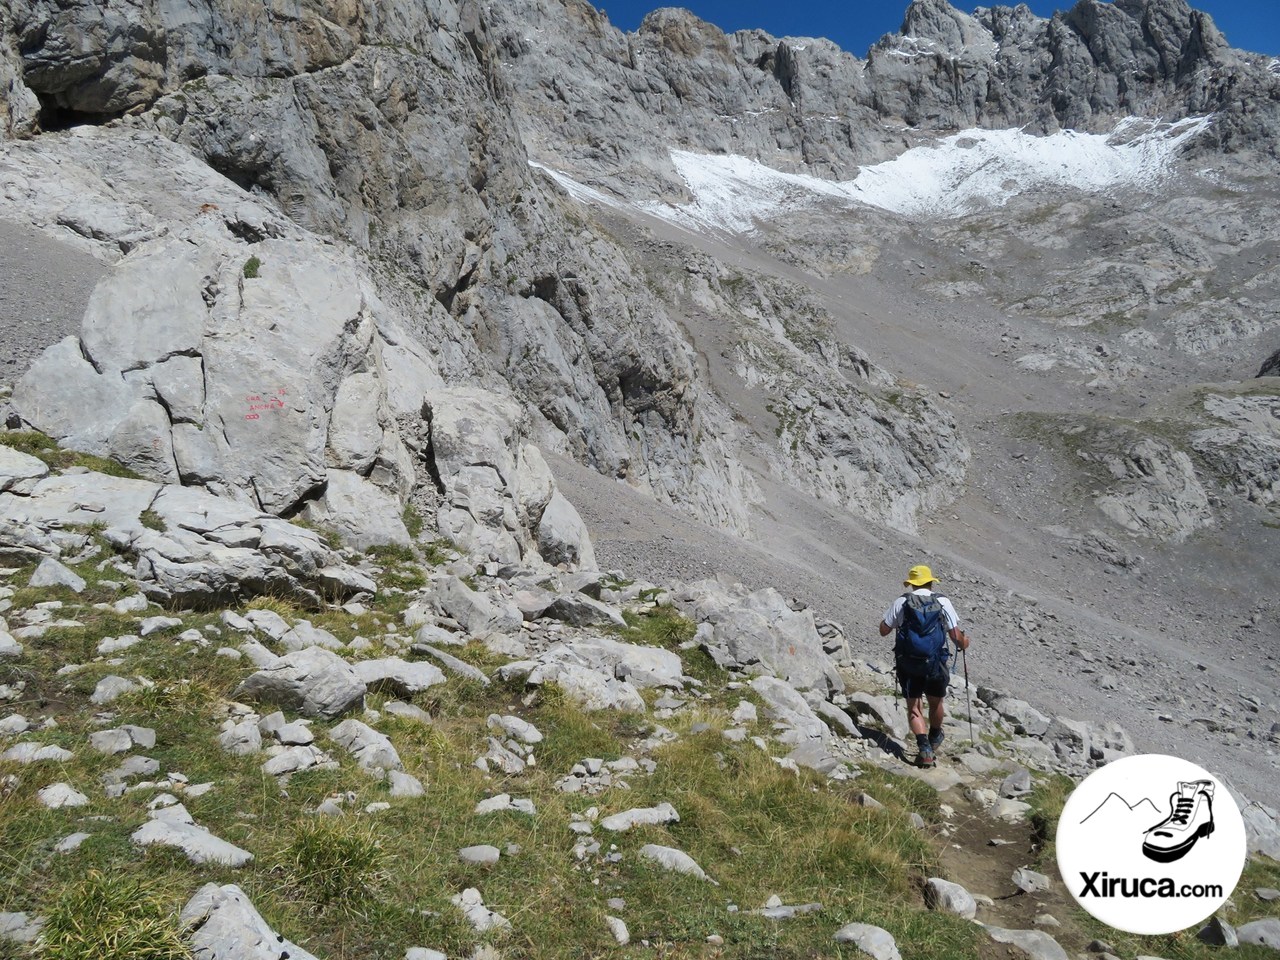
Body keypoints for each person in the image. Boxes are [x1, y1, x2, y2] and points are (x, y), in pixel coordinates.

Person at [877, 564, 969, 768]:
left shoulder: (902, 601)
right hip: (936, 663)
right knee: (936, 703)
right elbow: (956, 637)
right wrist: (965, 642)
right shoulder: (943, 601)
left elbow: (883, 630)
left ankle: (924, 749)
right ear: (930, 582)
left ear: (911, 584)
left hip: (909, 663)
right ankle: (935, 735)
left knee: (914, 707)